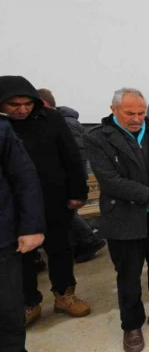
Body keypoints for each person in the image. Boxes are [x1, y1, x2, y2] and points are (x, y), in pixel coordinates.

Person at [85, 88, 149, 352]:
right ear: (113, 110)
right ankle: (131, 326)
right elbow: (110, 180)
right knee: (129, 276)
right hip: (124, 220)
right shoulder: (98, 138)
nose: (136, 118)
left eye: (141, 112)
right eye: (129, 113)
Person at [0, 76, 91, 327]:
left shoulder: (51, 119)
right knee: (23, 257)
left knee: (60, 249)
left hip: (54, 200)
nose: (22, 110)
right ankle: (29, 302)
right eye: (13, 105)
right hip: (13, 206)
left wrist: (78, 192)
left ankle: (64, 296)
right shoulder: (2, 127)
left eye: (27, 104)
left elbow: (71, 155)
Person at [36, 88, 106, 263]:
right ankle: (85, 241)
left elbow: (74, 156)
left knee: (65, 212)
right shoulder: (63, 121)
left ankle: (89, 240)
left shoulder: (62, 123)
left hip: (65, 181)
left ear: (43, 104)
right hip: (63, 180)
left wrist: (74, 184)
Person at [0, 114, 45, 352]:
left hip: (2, 236)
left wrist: (31, 227)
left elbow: (24, 178)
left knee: (7, 307)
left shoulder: (2, 128)